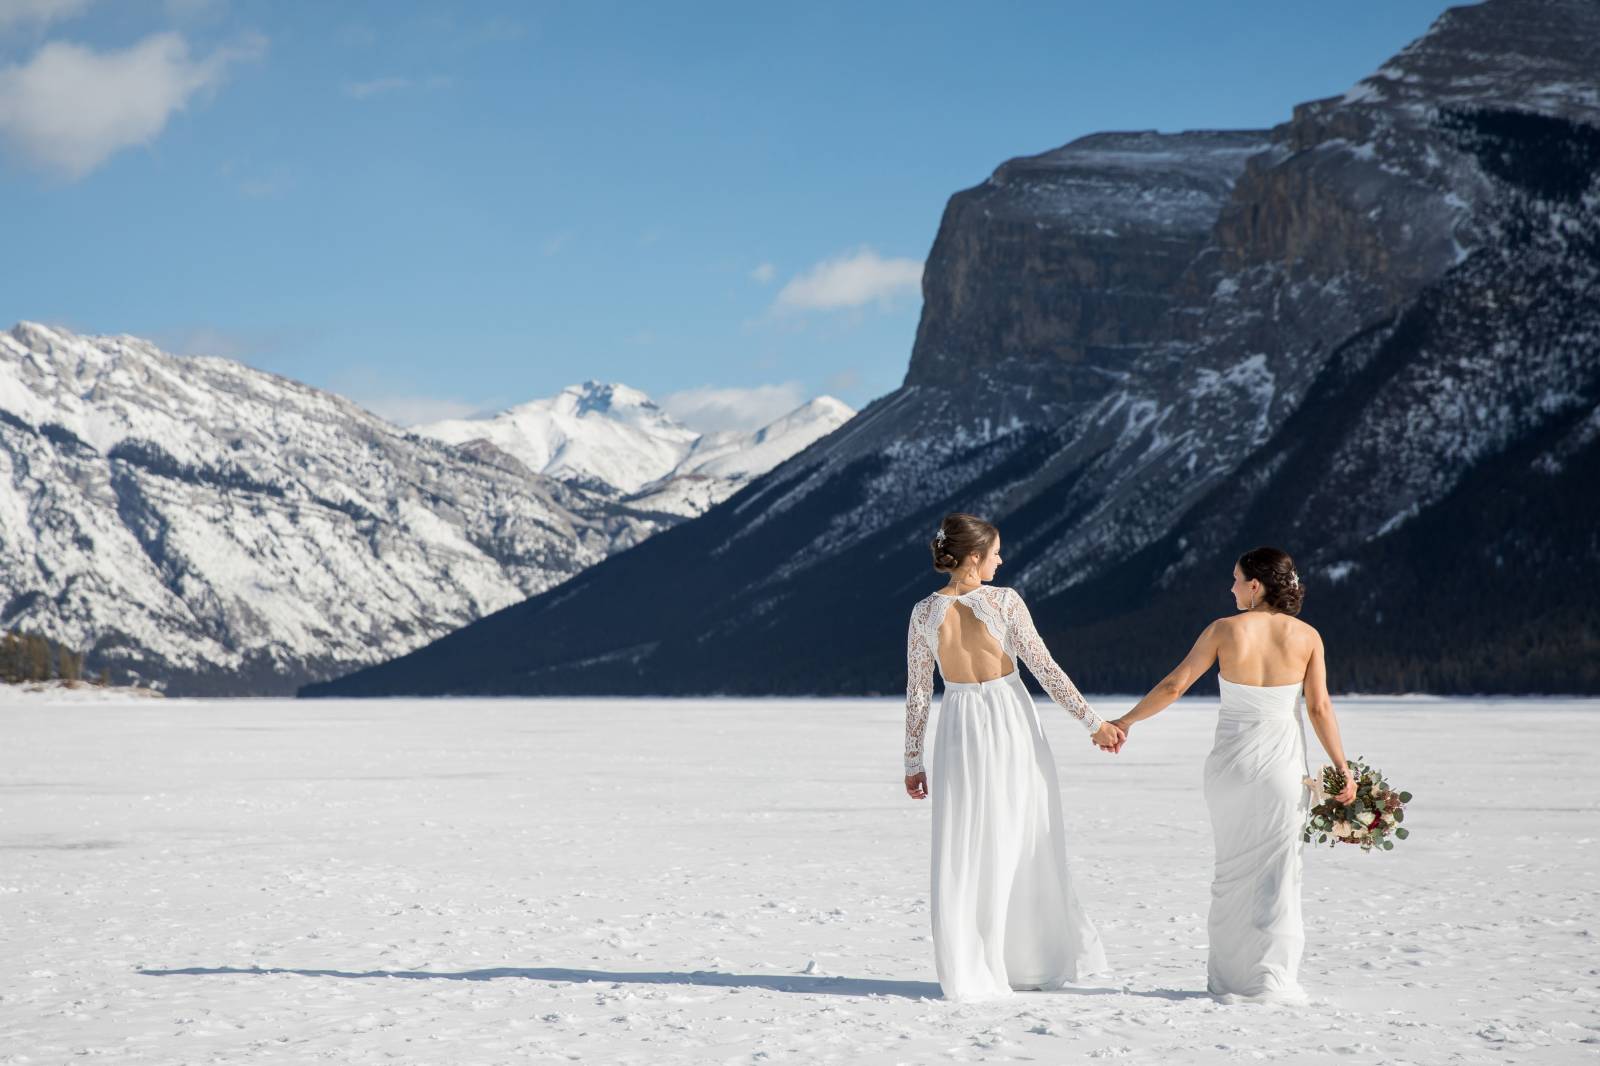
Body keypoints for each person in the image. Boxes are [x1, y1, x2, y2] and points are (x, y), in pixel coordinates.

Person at [1106, 546, 1356, 1003]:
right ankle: (1271, 980)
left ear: (1256, 586)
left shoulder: (1223, 630)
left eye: (1237, 579)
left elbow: (1174, 685)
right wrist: (1342, 768)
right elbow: (1319, 708)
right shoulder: (1308, 637)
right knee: (1281, 872)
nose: (1232, 587)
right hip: (1283, 767)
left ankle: (1229, 980)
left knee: (1231, 870)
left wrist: (1125, 722)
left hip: (1231, 767)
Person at [903, 512, 1125, 1001]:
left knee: (967, 841)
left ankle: (971, 965)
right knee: (1024, 831)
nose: (1001, 559)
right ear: (974, 556)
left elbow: (919, 694)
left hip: (958, 725)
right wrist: (1095, 723)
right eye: (996, 552)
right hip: (1008, 721)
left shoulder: (923, 612)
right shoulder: (1004, 601)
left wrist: (912, 761)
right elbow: (1044, 668)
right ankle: (1027, 958)